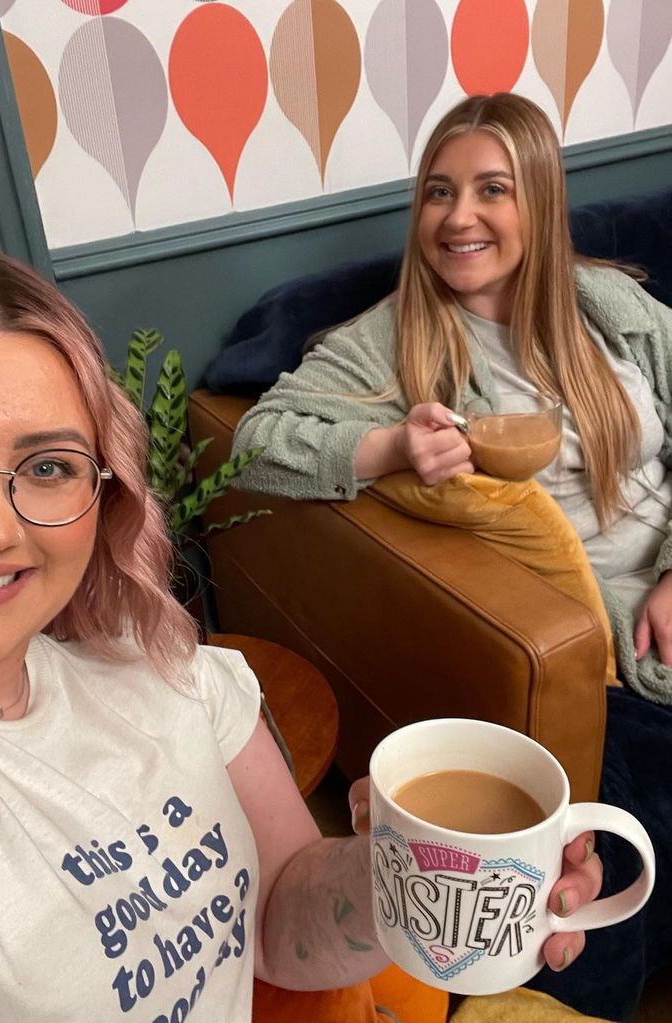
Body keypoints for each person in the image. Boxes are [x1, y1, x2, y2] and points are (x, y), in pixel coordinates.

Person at [0, 245, 598, 1022]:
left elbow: (275, 916)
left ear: (103, 492)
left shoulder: (176, 674)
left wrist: (404, 876)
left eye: (47, 467)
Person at [231, 92, 672, 1019]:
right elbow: (257, 439)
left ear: (540, 204)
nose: (457, 216)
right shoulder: (398, 337)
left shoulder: (614, 307)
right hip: (592, 640)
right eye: (437, 191)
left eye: (490, 189)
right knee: (603, 862)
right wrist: (389, 447)